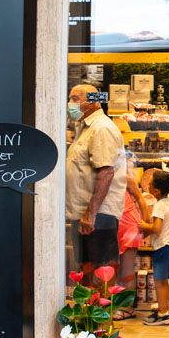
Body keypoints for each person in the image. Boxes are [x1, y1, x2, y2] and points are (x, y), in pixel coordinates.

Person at [65, 83, 126, 282]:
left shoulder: (102, 128)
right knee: (86, 271)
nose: (70, 103)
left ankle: (101, 304)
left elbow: (106, 172)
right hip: (84, 213)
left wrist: (90, 214)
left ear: (93, 103)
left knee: (102, 274)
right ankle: (88, 303)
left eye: (75, 99)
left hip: (98, 214)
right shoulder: (84, 127)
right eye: (70, 98)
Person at [115, 156, 156, 319]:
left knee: (127, 269)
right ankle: (118, 305)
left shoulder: (125, 178)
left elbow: (141, 200)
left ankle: (128, 308)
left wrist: (145, 224)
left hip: (128, 225)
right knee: (117, 270)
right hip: (118, 224)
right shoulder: (109, 177)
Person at [143, 168, 169, 326]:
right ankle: (167, 309)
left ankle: (163, 314)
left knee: (159, 282)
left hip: (163, 247)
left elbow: (156, 228)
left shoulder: (159, 206)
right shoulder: (168, 201)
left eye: (150, 184)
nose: (147, 185)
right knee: (165, 281)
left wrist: (142, 225)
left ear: (156, 191)